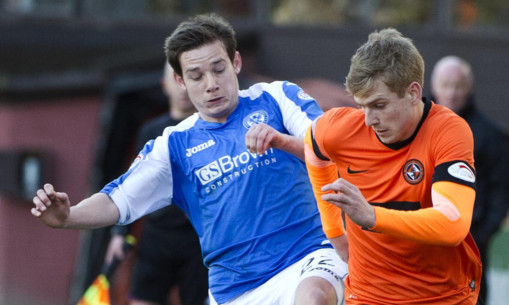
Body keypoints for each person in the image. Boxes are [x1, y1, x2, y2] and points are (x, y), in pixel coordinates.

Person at [31, 13, 348, 305]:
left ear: (236, 62)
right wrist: (67, 217)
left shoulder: (277, 97)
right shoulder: (173, 144)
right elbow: (117, 200)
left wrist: (282, 142)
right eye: (196, 76)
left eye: (218, 69)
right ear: (180, 81)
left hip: (310, 256)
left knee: (313, 297)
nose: (211, 84)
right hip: (236, 288)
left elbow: (330, 152)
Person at [304, 28, 482, 304]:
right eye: (362, 105)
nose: (368, 120)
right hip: (367, 295)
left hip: (442, 296)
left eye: (379, 105)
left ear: (413, 93)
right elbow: (313, 146)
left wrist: (372, 217)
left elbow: (453, 223)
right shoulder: (341, 128)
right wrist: (334, 232)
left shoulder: (448, 130)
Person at [104, 62, 208, 305]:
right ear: (165, 85)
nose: (182, 88)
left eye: (188, 79)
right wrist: (120, 234)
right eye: (176, 79)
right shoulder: (151, 131)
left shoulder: (210, 128)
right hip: (157, 236)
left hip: (200, 239)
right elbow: (133, 185)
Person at [430, 55, 509, 304]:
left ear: (469, 88)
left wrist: (485, 231)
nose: (452, 93)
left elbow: (501, 187)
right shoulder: (417, 127)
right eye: (446, 85)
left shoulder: (489, 135)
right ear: (434, 86)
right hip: (423, 233)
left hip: (471, 237)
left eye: (458, 86)